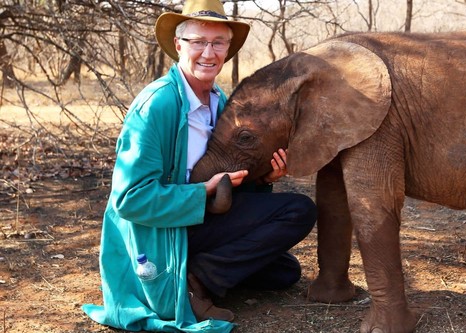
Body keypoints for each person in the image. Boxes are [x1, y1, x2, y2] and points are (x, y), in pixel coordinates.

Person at [82, 1, 317, 332]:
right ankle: (195, 282)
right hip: (160, 231)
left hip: (200, 219)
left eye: (218, 42)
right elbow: (129, 199)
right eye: (198, 42)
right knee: (300, 209)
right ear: (179, 45)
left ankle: (195, 269)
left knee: (283, 272)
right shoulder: (157, 106)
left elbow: (226, 180)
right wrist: (202, 191)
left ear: (227, 49)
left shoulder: (220, 102)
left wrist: (264, 179)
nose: (209, 52)